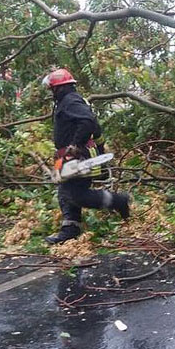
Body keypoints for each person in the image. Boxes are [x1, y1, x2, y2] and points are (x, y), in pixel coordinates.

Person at [42, 69, 130, 244]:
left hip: (78, 157)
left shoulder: (70, 101)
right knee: (65, 192)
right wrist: (101, 149)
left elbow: (88, 122)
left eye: (52, 89)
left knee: (76, 195)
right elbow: (96, 128)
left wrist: (75, 145)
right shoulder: (73, 101)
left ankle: (119, 201)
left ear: (58, 88)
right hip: (72, 156)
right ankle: (70, 228)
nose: (51, 93)